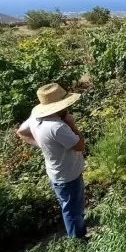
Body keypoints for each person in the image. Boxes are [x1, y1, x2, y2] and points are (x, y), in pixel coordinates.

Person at [16, 83, 87, 238]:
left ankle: (77, 229)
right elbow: (80, 145)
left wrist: (42, 145)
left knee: (69, 205)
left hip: (57, 173)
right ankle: (78, 240)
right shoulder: (57, 127)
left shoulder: (36, 116)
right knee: (72, 210)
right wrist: (71, 123)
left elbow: (21, 131)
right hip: (68, 176)